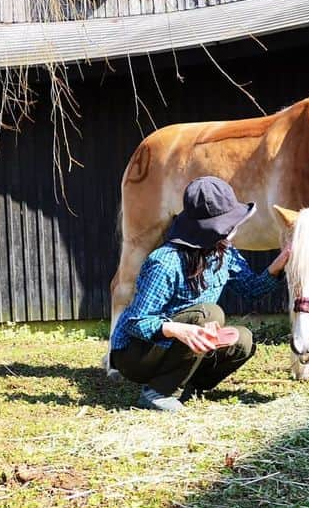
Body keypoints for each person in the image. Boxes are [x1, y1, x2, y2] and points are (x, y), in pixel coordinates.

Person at [109, 176, 291, 411]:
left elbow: (251, 289)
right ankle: (157, 392)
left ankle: (186, 384)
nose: (235, 227)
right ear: (209, 229)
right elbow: (137, 322)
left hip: (180, 345)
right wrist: (177, 329)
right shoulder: (165, 262)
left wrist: (281, 262)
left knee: (242, 340)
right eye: (229, 222)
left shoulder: (224, 253)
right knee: (209, 314)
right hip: (137, 353)